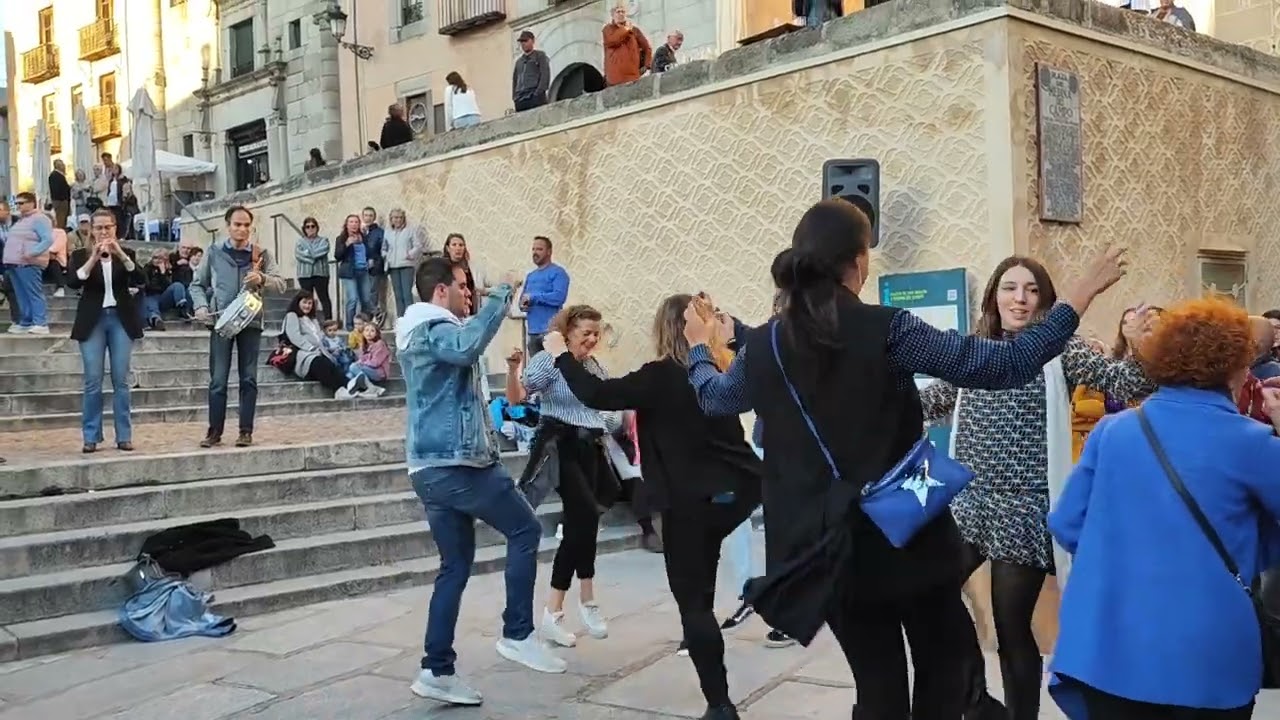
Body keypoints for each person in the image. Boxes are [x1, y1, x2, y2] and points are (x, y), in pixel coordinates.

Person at [682, 198, 1128, 719]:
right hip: (909, 533)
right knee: (945, 665)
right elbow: (1002, 364)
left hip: (830, 546)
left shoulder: (765, 345)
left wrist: (697, 348)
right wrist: (1075, 298)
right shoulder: (889, 328)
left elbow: (714, 397)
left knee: (878, 685)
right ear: (859, 263)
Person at [918, 257, 1155, 719]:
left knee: (1011, 628)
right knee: (930, 596)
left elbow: (1128, 382)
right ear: (994, 297)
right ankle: (975, 700)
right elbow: (929, 402)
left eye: (1031, 290)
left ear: (1045, 302)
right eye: (1010, 288)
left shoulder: (1060, 349)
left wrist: (1143, 345)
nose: (1020, 299)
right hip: (967, 503)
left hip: (1024, 510)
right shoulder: (973, 350)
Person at [1048, 297, 1280, 719]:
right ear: (1236, 368)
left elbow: (1066, 524)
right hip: (1206, 655)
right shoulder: (1252, 442)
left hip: (1110, 646)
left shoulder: (1112, 431)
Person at [548, 293, 763, 720]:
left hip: (690, 503)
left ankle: (720, 705)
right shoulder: (716, 370)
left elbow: (597, 393)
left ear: (662, 330)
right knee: (702, 575)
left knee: (694, 607)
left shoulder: (659, 376)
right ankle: (757, 595)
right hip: (740, 492)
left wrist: (559, 355)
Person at [398, 256, 564, 709]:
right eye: (463, 286)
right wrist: (499, 295)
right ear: (440, 292)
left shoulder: (425, 331)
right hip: (456, 467)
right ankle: (518, 634)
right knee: (526, 530)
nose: (468, 293)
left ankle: (436, 669)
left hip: (433, 469)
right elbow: (467, 346)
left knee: (454, 566)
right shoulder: (433, 330)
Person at [521, 305, 623, 648]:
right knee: (583, 517)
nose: (592, 340)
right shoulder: (552, 358)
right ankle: (558, 610)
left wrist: (605, 422)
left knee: (587, 521)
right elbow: (528, 385)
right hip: (560, 443)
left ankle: (583, 601)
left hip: (591, 446)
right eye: (585, 334)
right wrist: (554, 353)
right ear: (568, 333)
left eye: (596, 334)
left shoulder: (594, 366)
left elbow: (609, 410)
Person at [190, 206, 287, 449]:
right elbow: (196, 285)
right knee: (218, 379)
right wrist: (201, 306)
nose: (242, 229)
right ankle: (214, 431)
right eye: (237, 224)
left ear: (251, 228)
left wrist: (262, 279)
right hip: (221, 322)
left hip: (251, 321)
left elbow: (281, 284)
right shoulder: (213, 252)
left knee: (249, 378)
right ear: (228, 226)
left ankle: (245, 431)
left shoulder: (261, 254)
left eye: (246, 225)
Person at [67, 209, 144, 454]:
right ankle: (91, 436)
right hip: (93, 320)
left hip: (120, 319)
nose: (103, 232)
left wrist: (119, 253)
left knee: (121, 379)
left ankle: (124, 435)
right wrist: (94, 258)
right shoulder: (80, 255)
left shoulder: (126, 254)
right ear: (91, 230)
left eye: (107, 227)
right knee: (93, 380)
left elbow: (140, 278)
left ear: (115, 229)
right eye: (98, 228)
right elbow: (73, 282)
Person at [280, 290, 353, 398]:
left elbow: (320, 338)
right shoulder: (292, 316)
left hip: (318, 352)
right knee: (321, 364)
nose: (307, 306)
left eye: (310, 303)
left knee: (332, 364)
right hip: (303, 355)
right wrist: (310, 348)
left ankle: (352, 386)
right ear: (298, 302)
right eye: (304, 302)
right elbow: (295, 336)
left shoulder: (313, 319)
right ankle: (339, 389)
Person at [4, 192, 54, 335]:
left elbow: (47, 239)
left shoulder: (40, 219)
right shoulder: (20, 220)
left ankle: (40, 322)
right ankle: (26, 321)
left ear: (32, 203)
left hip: (29, 262)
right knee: (21, 294)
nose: (19, 206)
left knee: (33, 293)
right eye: (17, 203)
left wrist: (31, 252)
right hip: (15, 262)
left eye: (22, 203)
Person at [521, 236, 569, 354]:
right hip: (532, 332)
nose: (535, 252)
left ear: (549, 252)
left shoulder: (558, 273)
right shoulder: (530, 276)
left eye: (539, 249)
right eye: (533, 249)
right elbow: (522, 300)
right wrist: (523, 305)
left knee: (553, 369)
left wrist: (534, 298)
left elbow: (559, 297)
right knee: (536, 370)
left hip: (551, 332)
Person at [603, 4, 653, 87]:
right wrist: (626, 29)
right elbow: (613, 40)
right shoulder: (608, 29)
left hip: (632, 75)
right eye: (618, 12)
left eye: (623, 12)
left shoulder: (635, 30)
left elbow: (647, 47)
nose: (621, 14)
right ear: (612, 15)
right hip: (614, 78)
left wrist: (646, 66)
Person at [294, 217, 333, 321]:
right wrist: (313, 257)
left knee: (324, 298)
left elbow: (322, 251)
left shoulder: (323, 240)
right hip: (304, 275)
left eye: (313, 226)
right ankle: (307, 320)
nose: (310, 229)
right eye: (307, 227)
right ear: (304, 229)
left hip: (321, 274)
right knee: (306, 299)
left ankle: (328, 321)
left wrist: (308, 253)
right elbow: (299, 255)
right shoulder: (300, 242)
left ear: (317, 228)